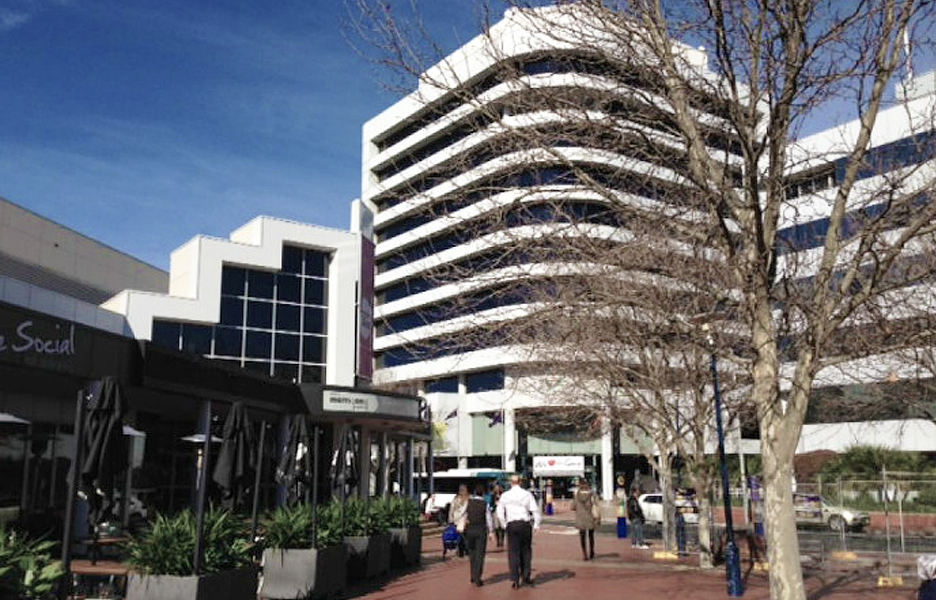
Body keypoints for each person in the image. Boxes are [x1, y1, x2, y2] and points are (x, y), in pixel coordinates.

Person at [496, 474, 541, 589]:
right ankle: (526, 576)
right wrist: (536, 524)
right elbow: (535, 510)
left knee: (513, 552)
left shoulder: (505, 495)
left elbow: (499, 511)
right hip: (524, 524)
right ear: (520, 482)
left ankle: (515, 579)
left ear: (511, 482)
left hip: (512, 524)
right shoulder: (527, 494)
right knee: (526, 551)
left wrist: (504, 524)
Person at [464, 483, 494, 586]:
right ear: (483, 494)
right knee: (480, 554)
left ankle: (472, 575)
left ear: (474, 493)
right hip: (481, 530)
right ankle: (478, 577)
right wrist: (491, 532)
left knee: (472, 553)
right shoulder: (485, 504)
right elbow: (489, 519)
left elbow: (463, 515)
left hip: (470, 530)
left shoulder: (469, 503)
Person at [573, 479, 598, 560]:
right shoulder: (591, 494)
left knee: (582, 536)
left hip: (580, 518)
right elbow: (595, 504)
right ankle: (592, 551)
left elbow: (573, 506)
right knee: (591, 535)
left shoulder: (577, 494)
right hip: (590, 516)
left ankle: (584, 553)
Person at [449, 484, 470, 557]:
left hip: (457, 520)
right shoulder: (468, 499)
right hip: (465, 519)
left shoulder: (456, 499)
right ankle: (466, 550)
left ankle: (461, 550)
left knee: (459, 536)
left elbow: (452, 509)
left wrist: (451, 519)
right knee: (465, 536)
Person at [491, 483, 506, 547]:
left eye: (498, 488)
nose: (497, 489)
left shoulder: (503, 495)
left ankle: (502, 540)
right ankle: (498, 541)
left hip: (502, 511)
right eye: (496, 488)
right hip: (495, 511)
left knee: (502, 526)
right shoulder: (493, 495)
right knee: (496, 527)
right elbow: (491, 503)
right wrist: (494, 505)